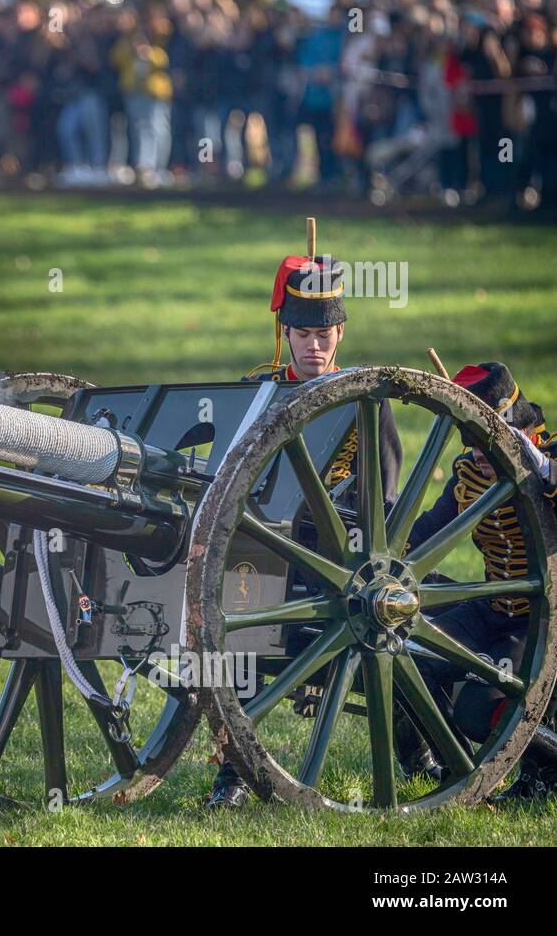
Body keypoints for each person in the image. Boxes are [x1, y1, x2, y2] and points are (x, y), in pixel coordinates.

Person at [206, 235, 404, 809]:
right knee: (236, 615)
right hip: (263, 548)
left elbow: (387, 491)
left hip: (337, 562)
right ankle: (234, 773)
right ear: (285, 335)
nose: (314, 347)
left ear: (340, 334)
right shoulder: (257, 393)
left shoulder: (365, 399)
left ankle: (414, 748)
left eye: (324, 335)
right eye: (303, 335)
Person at [407, 363, 557, 803]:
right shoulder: (467, 472)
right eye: (469, 445)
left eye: (483, 445)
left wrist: (541, 469)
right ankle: (457, 771)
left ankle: (542, 770)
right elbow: (429, 531)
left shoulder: (547, 458)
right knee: (413, 654)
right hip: (493, 606)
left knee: (478, 707)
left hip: (541, 620)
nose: (476, 457)